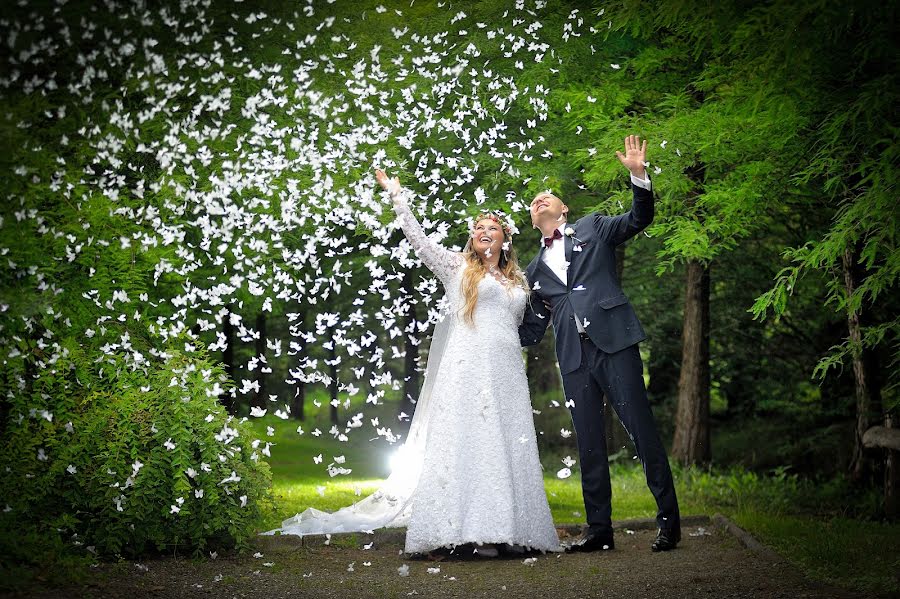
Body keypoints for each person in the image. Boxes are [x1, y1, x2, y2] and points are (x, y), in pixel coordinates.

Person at [263, 169, 560, 557]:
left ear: (505, 238)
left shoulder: (518, 279)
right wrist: (397, 197)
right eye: (478, 227)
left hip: (506, 371)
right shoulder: (457, 268)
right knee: (467, 443)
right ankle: (461, 532)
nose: (484, 231)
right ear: (473, 239)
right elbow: (418, 242)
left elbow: (529, 320)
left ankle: (507, 529)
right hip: (466, 367)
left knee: (504, 444)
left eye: (492, 227)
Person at [519, 135, 681, 553]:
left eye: (546, 197)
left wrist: (638, 175)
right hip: (573, 359)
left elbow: (637, 219)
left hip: (614, 344)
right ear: (532, 219)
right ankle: (599, 532)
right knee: (589, 442)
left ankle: (669, 522)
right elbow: (530, 332)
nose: (539, 201)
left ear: (563, 209)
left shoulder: (593, 226)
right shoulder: (534, 271)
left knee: (641, 432)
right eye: (533, 201)